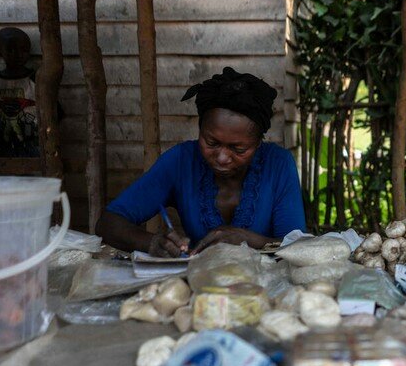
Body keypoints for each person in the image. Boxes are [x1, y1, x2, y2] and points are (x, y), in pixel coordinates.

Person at [96, 67, 306, 257]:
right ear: (200, 130)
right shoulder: (181, 161)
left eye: (238, 149)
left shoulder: (278, 164)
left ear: (258, 142)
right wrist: (152, 243)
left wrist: (250, 240)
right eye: (211, 142)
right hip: (200, 286)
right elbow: (108, 223)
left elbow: (299, 247)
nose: (222, 157)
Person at [0, 27, 40, 158]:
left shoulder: (36, 79)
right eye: (11, 50)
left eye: (24, 50)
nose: (18, 54)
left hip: (32, 144)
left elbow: (55, 111)